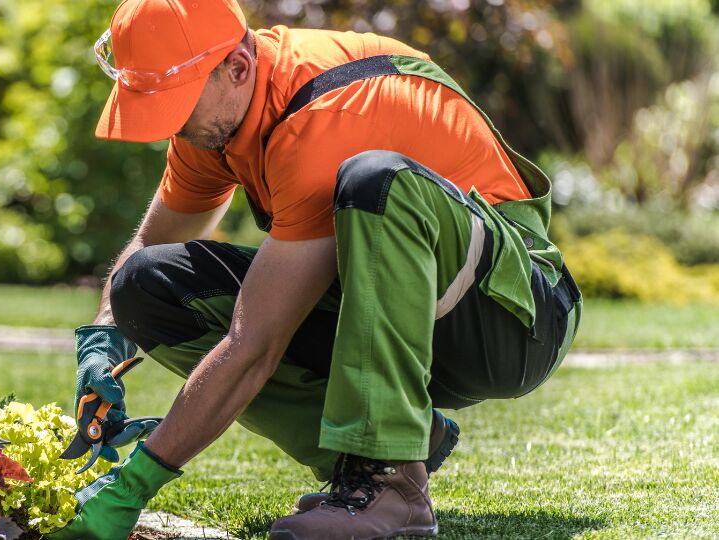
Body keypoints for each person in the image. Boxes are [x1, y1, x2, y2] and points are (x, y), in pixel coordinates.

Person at [47, 0, 583, 539]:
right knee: (144, 284)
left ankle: (390, 479)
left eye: (176, 104)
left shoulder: (324, 117)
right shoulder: (216, 121)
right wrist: (102, 341)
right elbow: (153, 242)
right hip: (410, 319)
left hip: (514, 320)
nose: (173, 125)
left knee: (377, 181)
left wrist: (135, 482)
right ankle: (388, 452)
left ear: (236, 67)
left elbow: (255, 342)